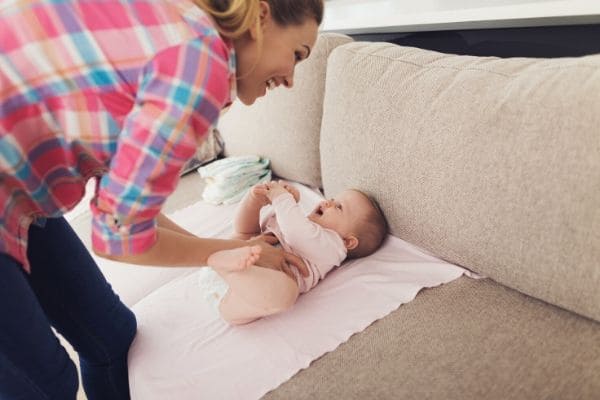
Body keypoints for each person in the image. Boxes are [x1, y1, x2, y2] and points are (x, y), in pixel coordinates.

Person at [0, 0, 322, 398]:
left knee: (111, 337)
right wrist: (215, 253)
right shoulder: (197, 64)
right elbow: (119, 239)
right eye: (297, 54)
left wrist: (224, 249)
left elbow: (124, 209)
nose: (291, 78)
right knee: (47, 383)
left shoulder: (171, 26)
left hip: (16, 192)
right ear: (261, 14)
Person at [207, 180, 388, 325]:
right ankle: (227, 262)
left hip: (240, 291)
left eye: (338, 207)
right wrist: (256, 202)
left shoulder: (333, 247)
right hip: (242, 252)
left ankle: (228, 270)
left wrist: (281, 197)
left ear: (348, 241)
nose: (327, 202)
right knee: (244, 233)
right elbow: (251, 230)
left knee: (285, 293)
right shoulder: (303, 223)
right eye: (332, 198)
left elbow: (296, 231)